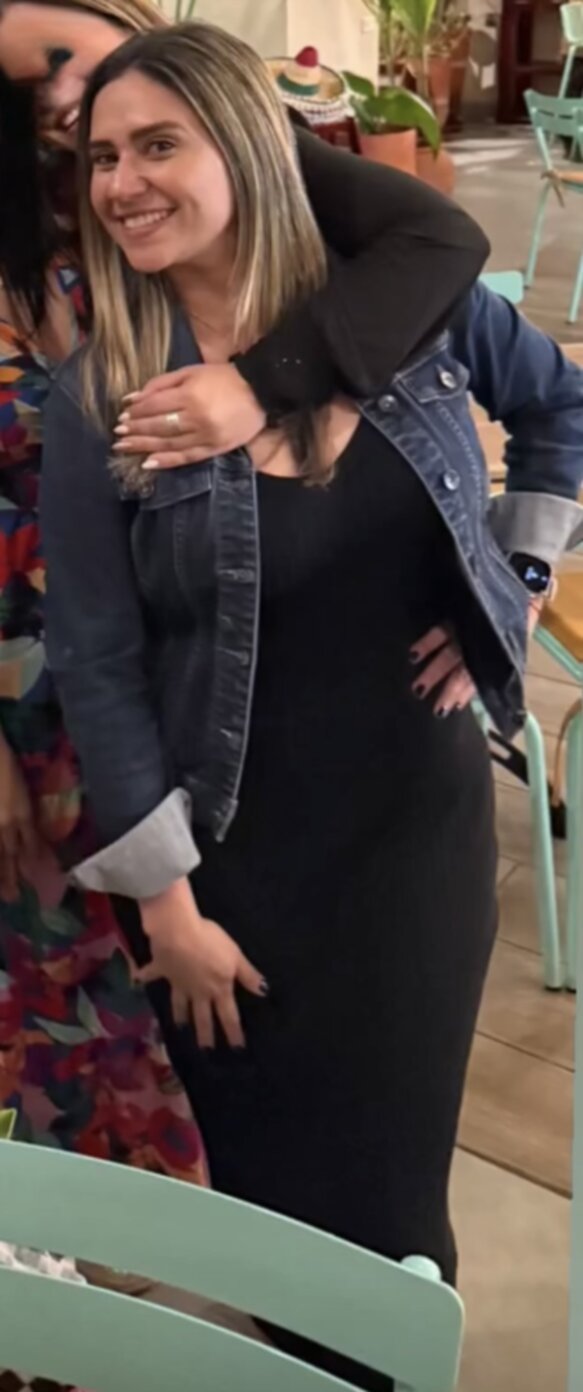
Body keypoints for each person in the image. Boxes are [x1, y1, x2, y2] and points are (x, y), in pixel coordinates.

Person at [41, 22, 583, 1388]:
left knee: (395, 1213)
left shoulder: (403, 312)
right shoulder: (104, 393)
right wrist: (167, 910)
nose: (121, 182)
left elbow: (558, 408)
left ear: (246, 146)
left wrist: (515, 580)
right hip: (230, 873)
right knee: (274, 1212)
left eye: (158, 144)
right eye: (103, 157)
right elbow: (97, 660)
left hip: (413, 843)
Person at [0, 0, 489, 1170]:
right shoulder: (95, 340)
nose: (62, 100)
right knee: (97, 1043)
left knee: (351, 1141)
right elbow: (97, 649)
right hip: (90, 718)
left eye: (69, 61)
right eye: (30, 94)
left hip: (279, 758)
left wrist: (503, 583)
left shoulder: (273, 231)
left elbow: (450, 256)